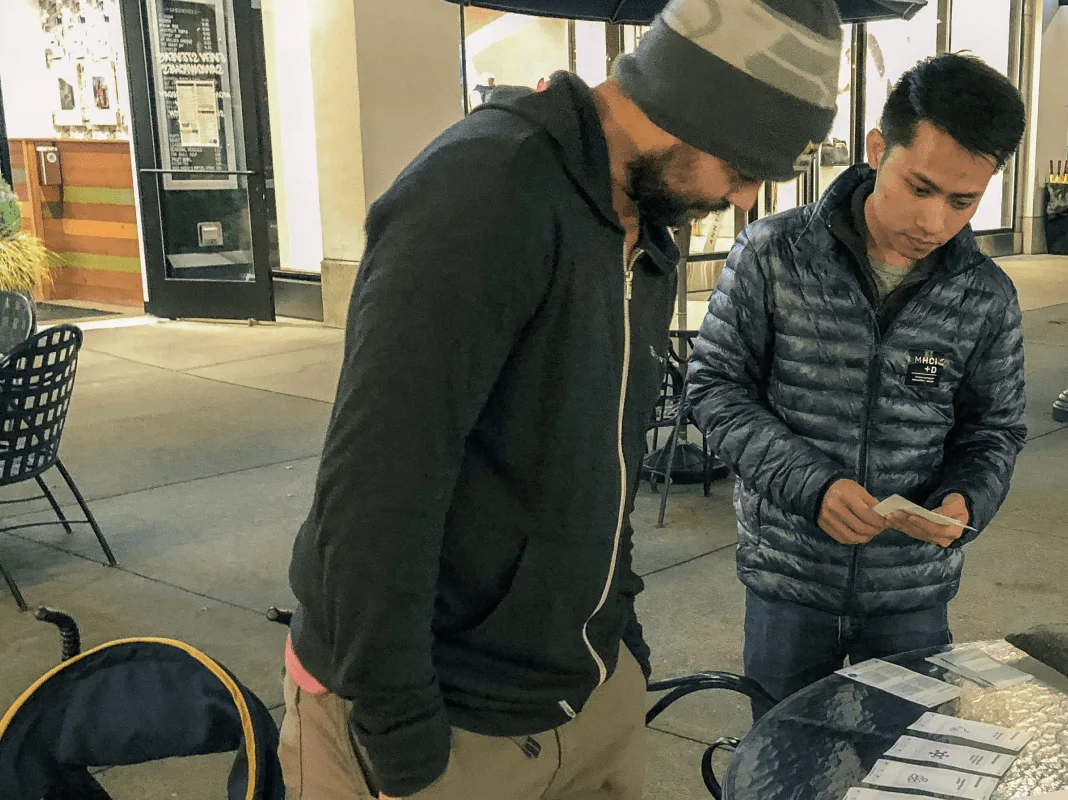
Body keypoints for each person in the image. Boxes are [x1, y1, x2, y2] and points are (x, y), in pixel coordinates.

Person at [276, 1, 844, 798]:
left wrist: (624, 643)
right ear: (693, 104)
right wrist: (401, 734)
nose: (746, 198)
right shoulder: (482, 188)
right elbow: (375, 489)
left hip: (588, 692)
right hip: (434, 712)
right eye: (745, 166)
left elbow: (606, 467)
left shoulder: (645, 226)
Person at [685, 53, 1028, 720]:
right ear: (878, 149)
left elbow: (995, 429)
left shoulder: (985, 296)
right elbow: (715, 387)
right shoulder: (771, 255)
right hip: (789, 583)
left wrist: (966, 500)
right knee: (783, 777)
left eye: (964, 201)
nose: (933, 221)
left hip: (912, 596)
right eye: (919, 187)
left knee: (908, 777)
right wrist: (810, 485)